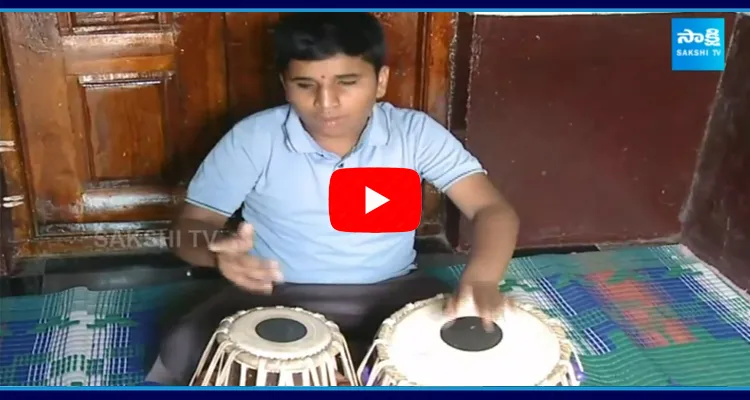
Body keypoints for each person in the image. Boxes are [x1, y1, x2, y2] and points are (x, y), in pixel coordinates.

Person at [145, 12, 519, 385]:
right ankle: (352, 370)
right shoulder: (254, 139)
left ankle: (340, 371)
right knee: (187, 342)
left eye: (347, 81)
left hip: (394, 291)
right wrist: (216, 254)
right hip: (276, 296)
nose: (326, 102)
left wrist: (484, 278)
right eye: (305, 84)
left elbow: (492, 210)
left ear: (380, 81)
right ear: (285, 84)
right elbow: (187, 230)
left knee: (483, 342)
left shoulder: (414, 134)